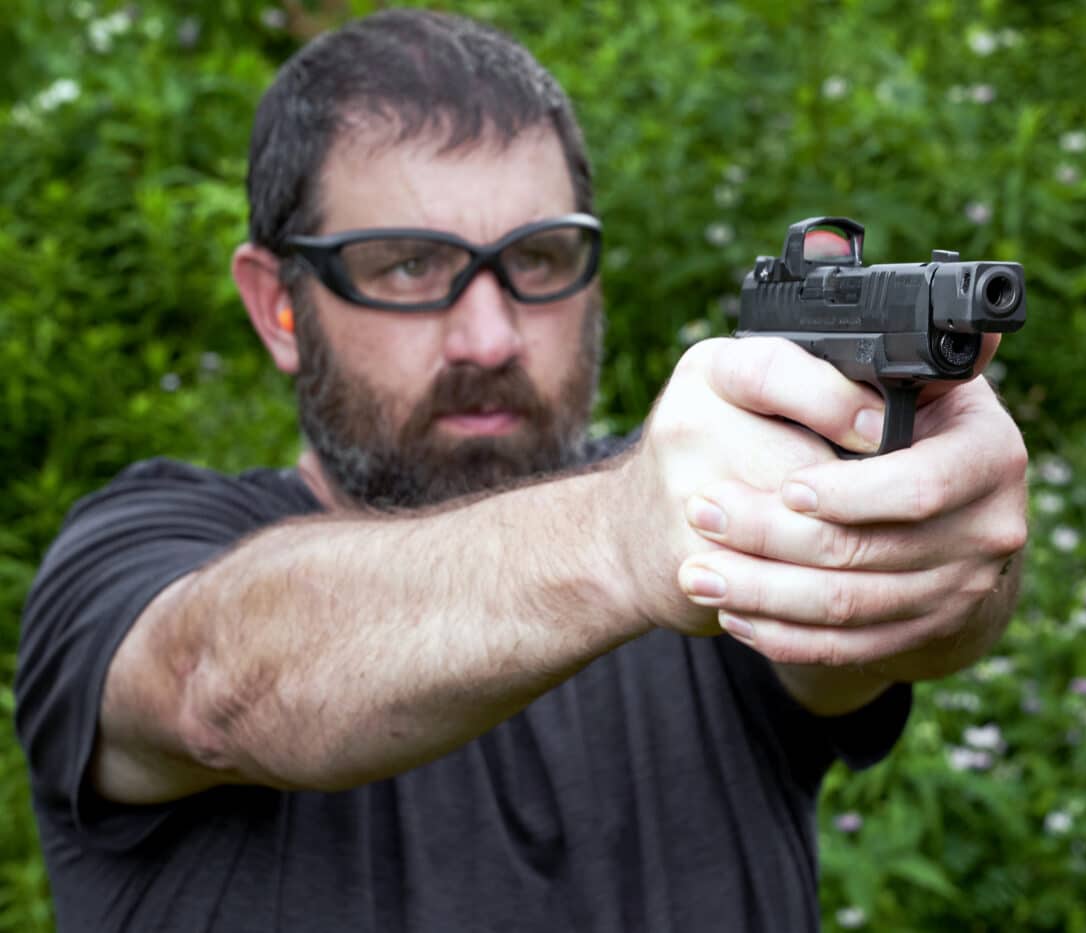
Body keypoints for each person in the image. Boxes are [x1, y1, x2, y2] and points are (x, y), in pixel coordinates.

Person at [15, 9, 1027, 932]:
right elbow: (220, 682)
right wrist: (615, 539)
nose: (489, 335)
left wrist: (941, 538)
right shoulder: (130, 549)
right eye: (408, 265)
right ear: (278, 305)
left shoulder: (697, 514)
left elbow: (890, 626)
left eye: (538, 260)